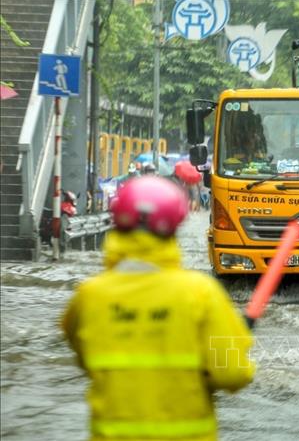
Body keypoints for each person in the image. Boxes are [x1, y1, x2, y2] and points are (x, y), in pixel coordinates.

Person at [61, 176, 255, 441]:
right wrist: (236, 345)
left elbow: (85, 357)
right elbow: (233, 375)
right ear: (175, 225)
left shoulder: (89, 296)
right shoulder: (201, 294)